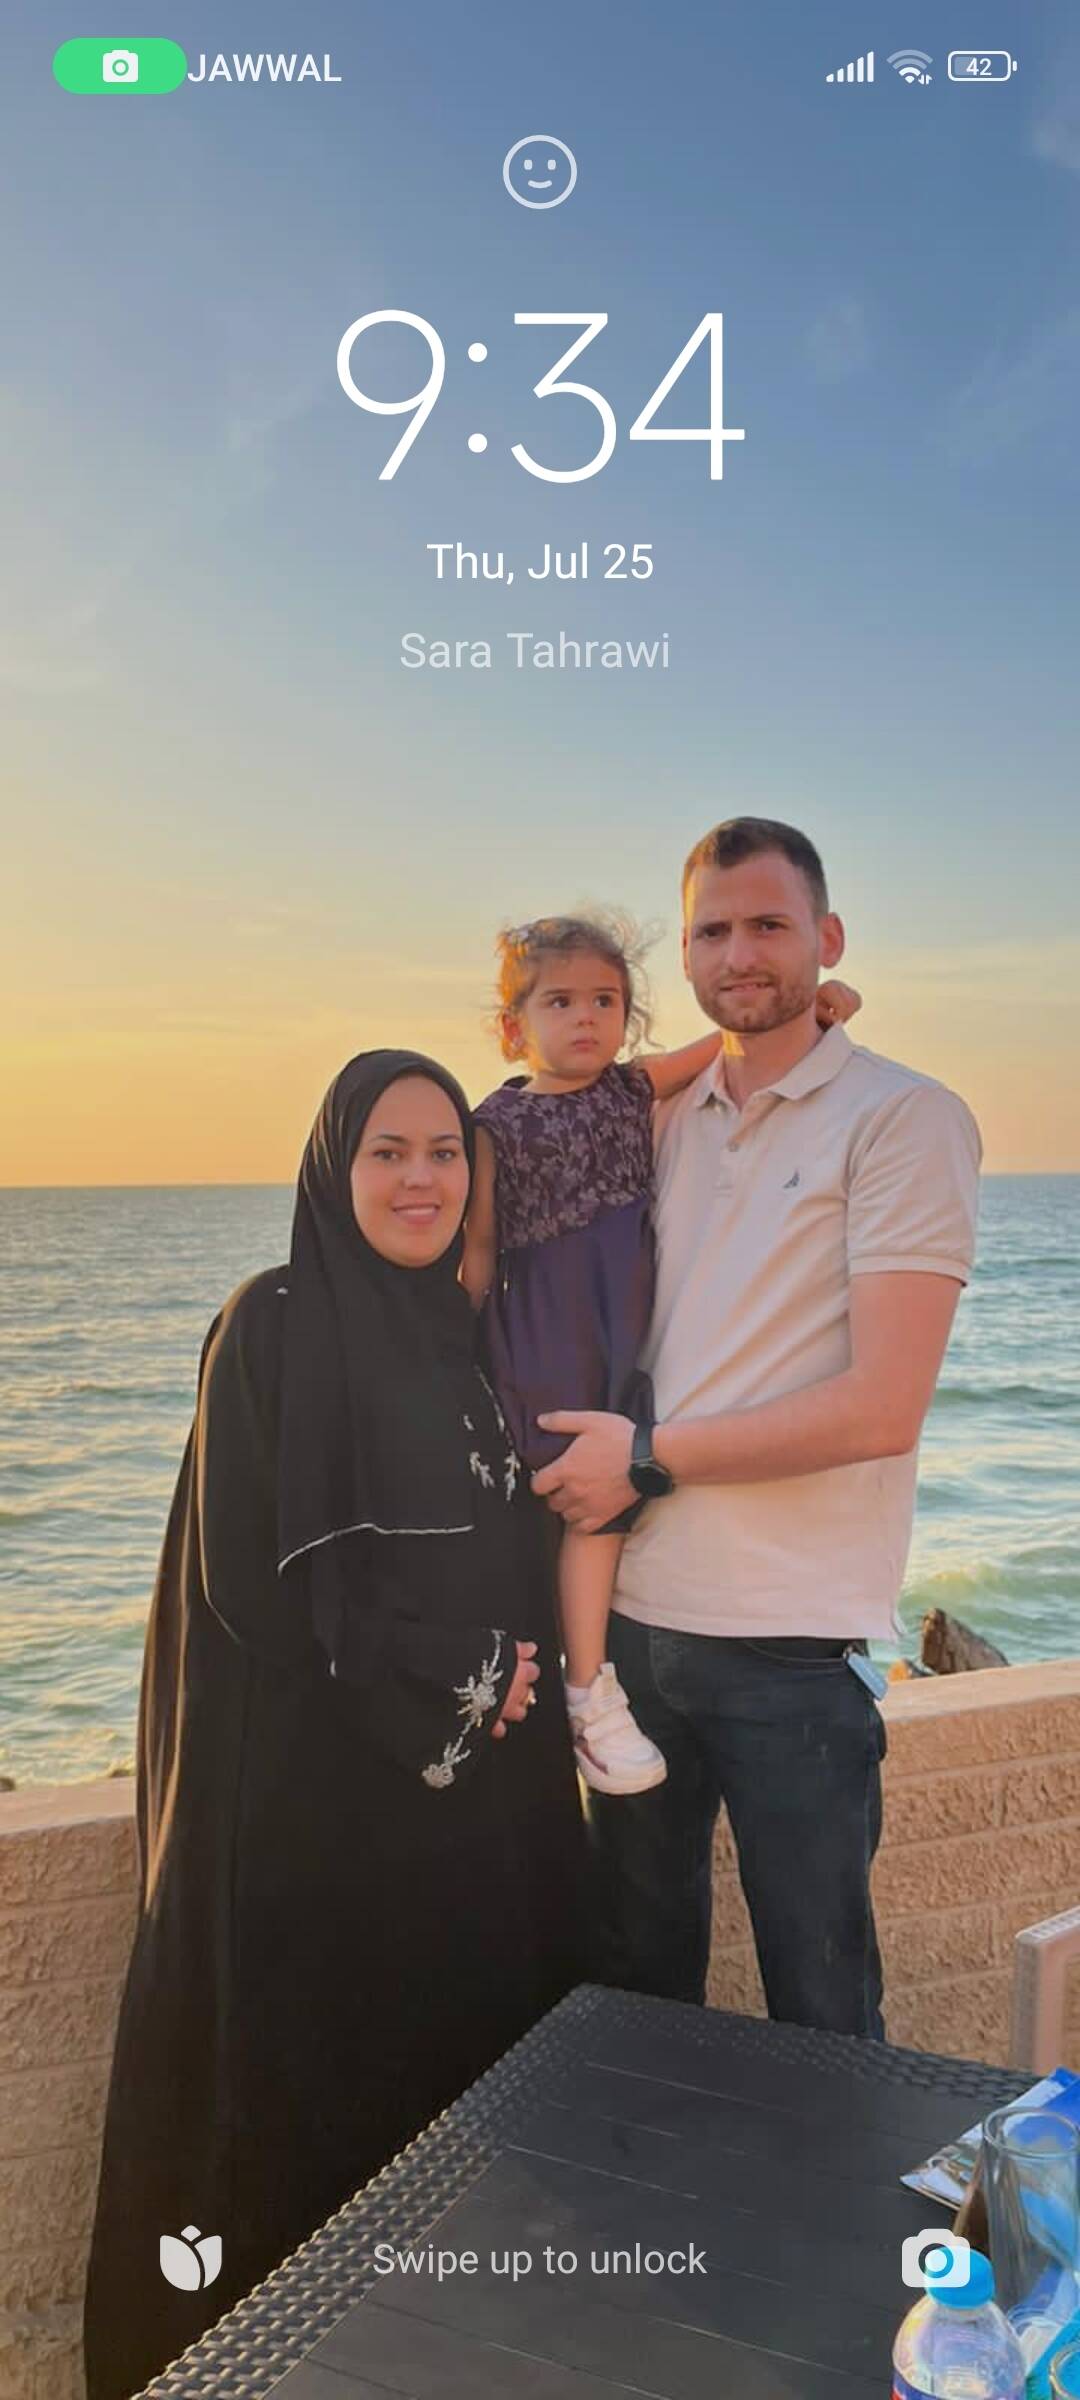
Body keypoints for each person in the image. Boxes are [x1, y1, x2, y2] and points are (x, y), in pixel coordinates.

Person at [84, 1051, 584, 2400]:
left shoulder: (456, 1342)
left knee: (443, 2159)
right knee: (301, 2155)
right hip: (312, 1830)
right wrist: (466, 1672)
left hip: (450, 1831)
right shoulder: (274, 1323)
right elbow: (253, 1582)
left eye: (445, 1152)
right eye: (387, 1152)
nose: (421, 1179)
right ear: (332, 1169)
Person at [532, 820, 981, 2039]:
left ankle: (838, 2183)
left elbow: (884, 1407)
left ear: (826, 938)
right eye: (714, 930)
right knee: (638, 1998)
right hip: (627, 1633)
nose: (740, 953)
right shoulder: (659, 1122)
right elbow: (543, 1118)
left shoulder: (904, 1118)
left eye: (770, 925)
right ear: (685, 953)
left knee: (823, 2013)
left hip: (790, 1646)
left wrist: (644, 1458)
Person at [462, 911, 860, 1798]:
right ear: (513, 1026)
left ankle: (569, 1688)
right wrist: (460, 1351)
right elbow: (479, 1251)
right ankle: (587, 1693)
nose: (587, 1017)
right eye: (560, 1002)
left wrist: (820, 1005)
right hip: (549, 1341)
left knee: (602, 1506)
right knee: (587, 1515)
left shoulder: (631, 1089)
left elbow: (729, 1046)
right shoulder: (494, 1125)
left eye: (606, 1000)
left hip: (620, 1340)